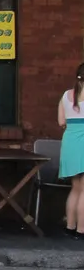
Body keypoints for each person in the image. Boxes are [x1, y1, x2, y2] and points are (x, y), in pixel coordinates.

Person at [59, 62, 84, 238]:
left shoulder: (66, 95)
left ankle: (70, 226)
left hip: (69, 144)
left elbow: (62, 122)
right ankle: (82, 230)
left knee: (76, 188)